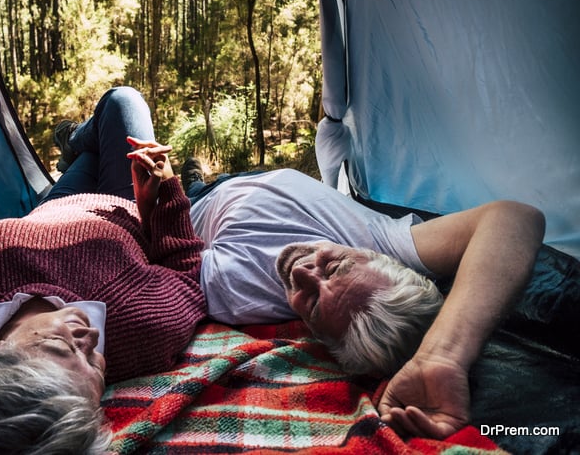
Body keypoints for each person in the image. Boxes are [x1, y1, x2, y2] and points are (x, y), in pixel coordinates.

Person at [0, 87, 207, 454]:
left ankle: (76, 142)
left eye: (61, 345)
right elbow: (187, 271)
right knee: (123, 102)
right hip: (124, 198)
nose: (91, 340)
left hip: (52, 205)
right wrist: (163, 194)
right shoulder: (143, 327)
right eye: (98, 369)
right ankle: (77, 142)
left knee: (101, 133)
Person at [183, 160, 545, 439]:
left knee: (126, 104)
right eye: (336, 267)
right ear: (378, 259)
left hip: (196, 203)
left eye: (313, 304)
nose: (303, 273)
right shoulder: (387, 242)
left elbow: (158, 242)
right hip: (254, 176)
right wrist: (443, 355)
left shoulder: (231, 293)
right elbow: (516, 218)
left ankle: (191, 180)